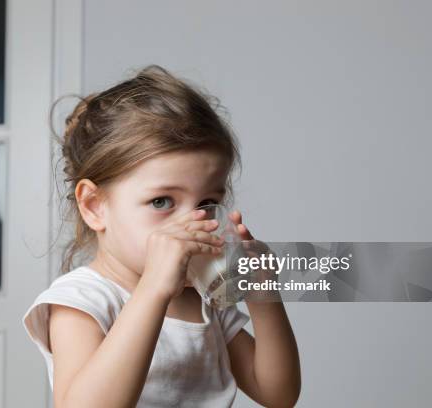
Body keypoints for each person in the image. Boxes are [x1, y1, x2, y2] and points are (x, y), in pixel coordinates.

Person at [23, 65, 301, 407]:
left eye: (207, 202)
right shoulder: (83, 301)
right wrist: (153, 289)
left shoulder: (205, 296)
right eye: (161, 201)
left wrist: (263, 295)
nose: (191, 222)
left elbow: (278, 394)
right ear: (95, 206)